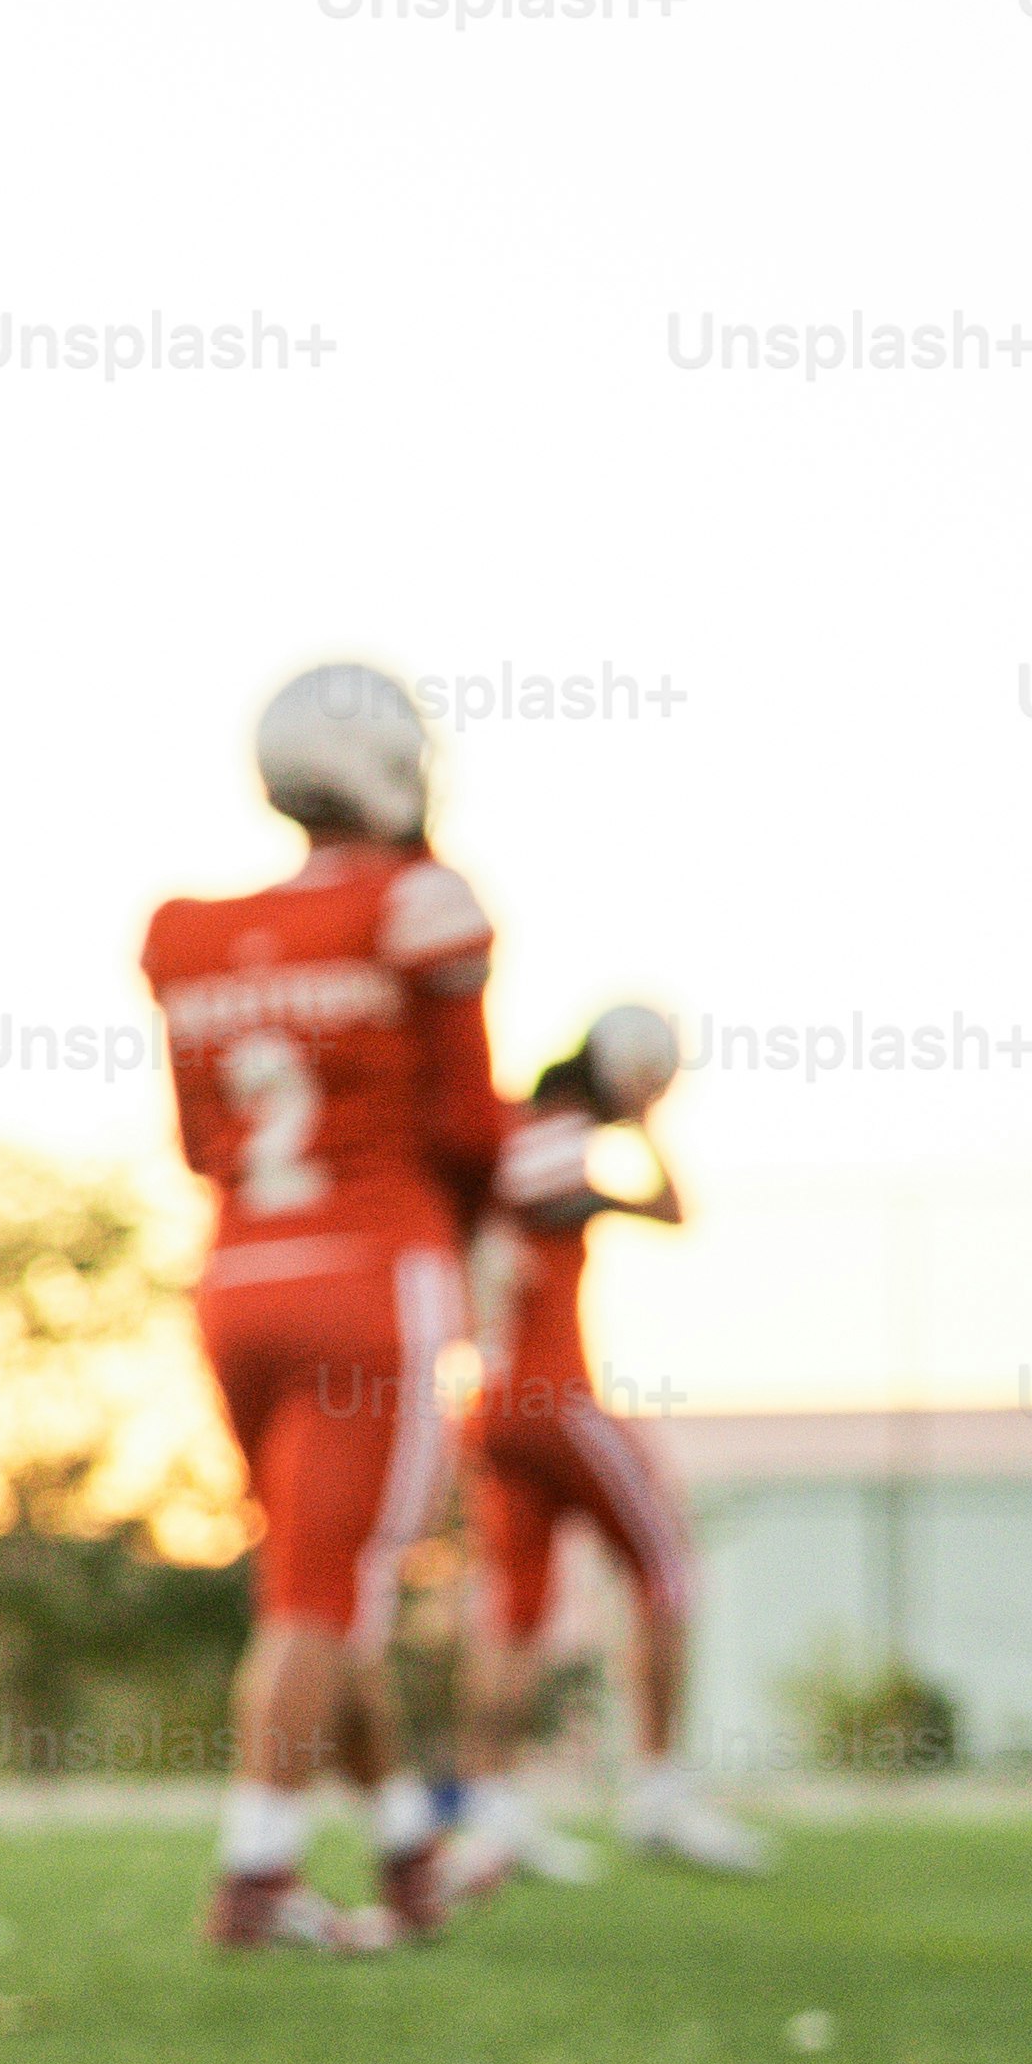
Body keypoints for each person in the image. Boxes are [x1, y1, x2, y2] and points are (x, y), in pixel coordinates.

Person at [140, 662, 508, 1955]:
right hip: (373, 1276)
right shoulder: (417, 903)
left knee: (309, 1588)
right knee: (327, 1597)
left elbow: (199, 1141)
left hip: (238, 1282)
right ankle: (256, 1880)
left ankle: (406, 1849)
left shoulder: (184, 930)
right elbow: (469, 1129)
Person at [457, 1003, 768, 1882]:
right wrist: (639, 1125)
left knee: (513, 1613)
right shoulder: (553, 1140)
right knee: (667, 1570)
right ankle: (659, 1792)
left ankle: (494, 1808)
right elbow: (667, 1209)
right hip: (553, 1398)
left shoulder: (506, 1137)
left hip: (489, 1403)